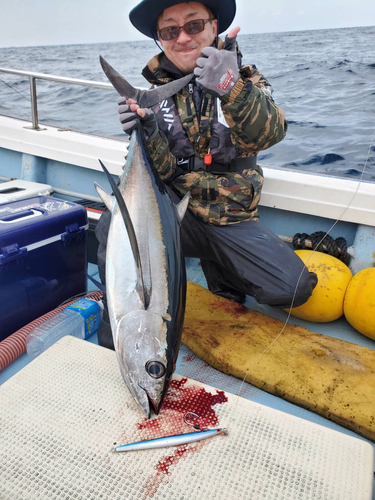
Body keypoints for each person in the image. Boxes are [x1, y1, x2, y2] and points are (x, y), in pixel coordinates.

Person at [96, 0, 317, 349]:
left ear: (215, 27)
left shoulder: (246, 78)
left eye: (194, 26)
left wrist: (230, 87)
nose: (182, 38)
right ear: (160, 39)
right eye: (170, 30)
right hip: (180, 216)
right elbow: (165, 171)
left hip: (232, 219)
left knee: (293, 288)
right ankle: (115, 338)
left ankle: (222, 265)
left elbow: (270, 133)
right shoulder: (156, 96)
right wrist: (148, 130)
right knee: (112, 224)